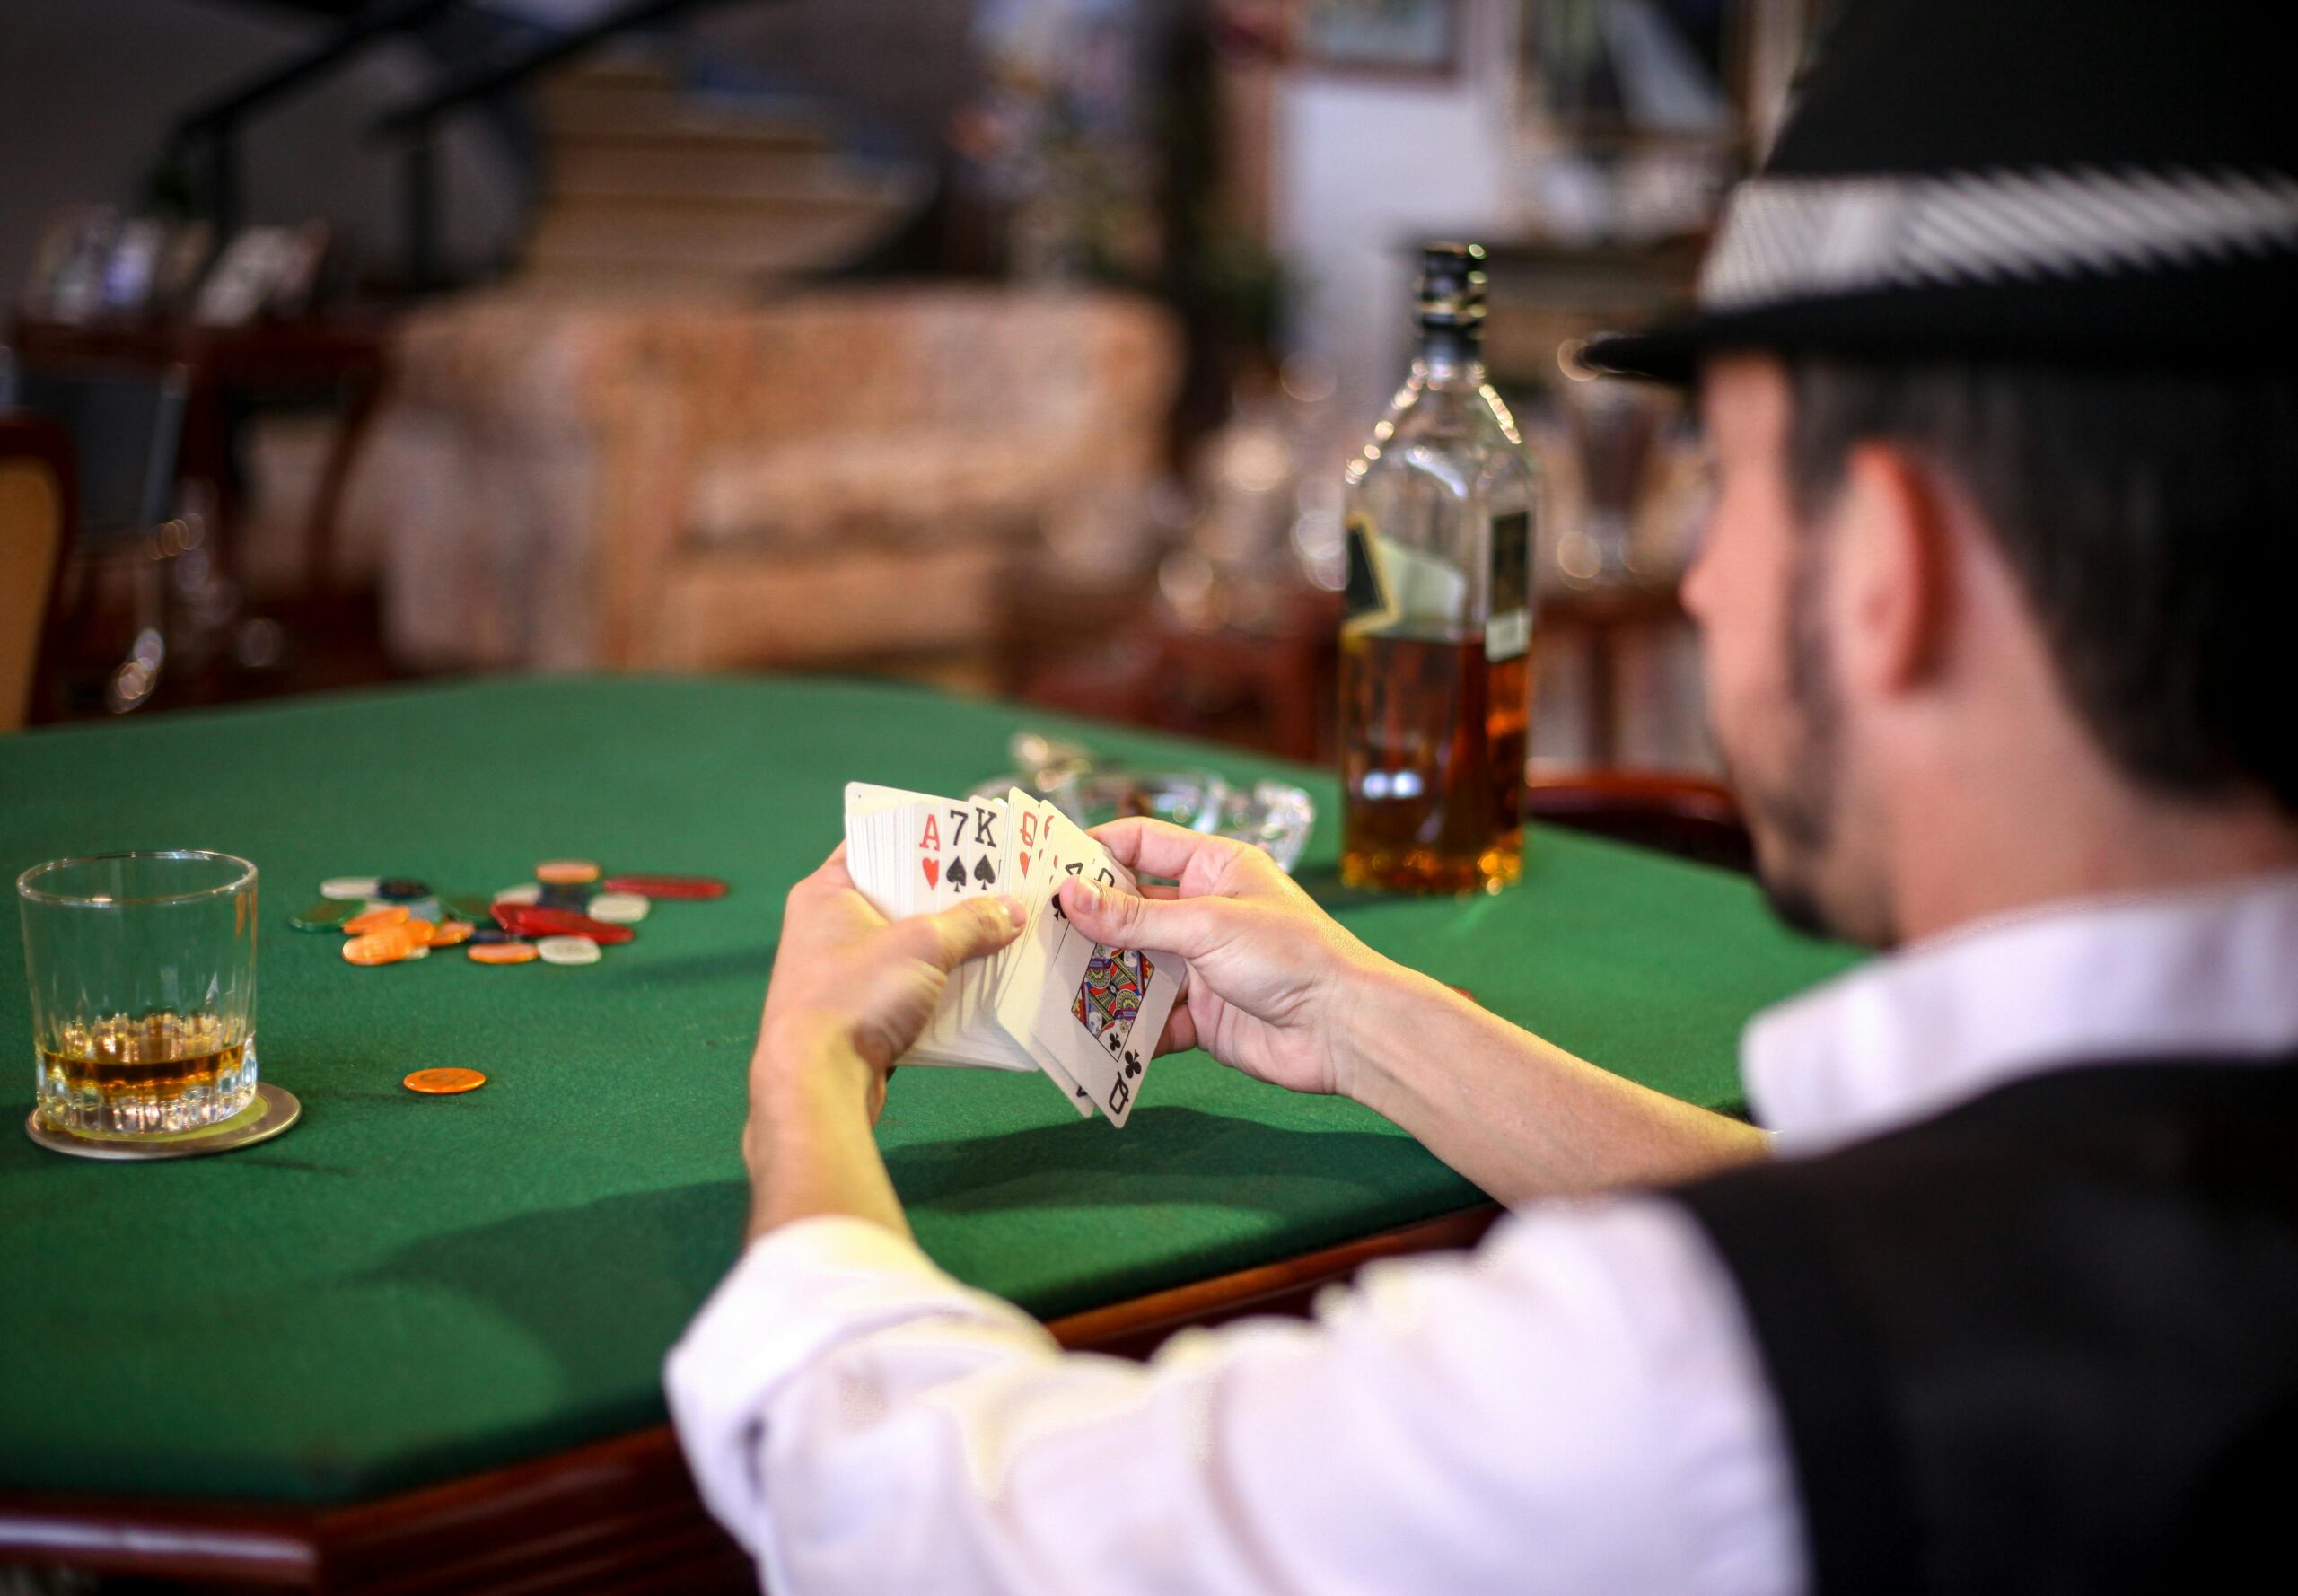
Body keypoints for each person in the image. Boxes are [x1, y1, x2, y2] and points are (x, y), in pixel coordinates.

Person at [667, 1, 2298, 1590]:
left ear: (1885, 567)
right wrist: (1365, 1011)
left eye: (1727, 493)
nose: (1714, 588)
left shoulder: (1693, 1382)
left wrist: (803, 1075)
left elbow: (937, 1526)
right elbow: (1952, 1236)